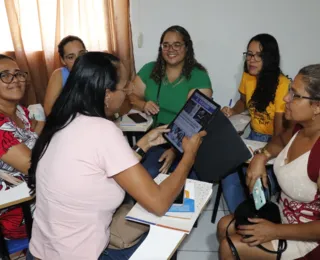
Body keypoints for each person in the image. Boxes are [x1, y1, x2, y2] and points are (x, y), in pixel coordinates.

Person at [26, 52, 206, 260]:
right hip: (81, 255)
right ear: (107, 94)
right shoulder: (102, 130)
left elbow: (101, 164)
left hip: (41, 251)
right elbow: (158, 202)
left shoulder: (63, 120)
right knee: (168, 239)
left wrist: (143, 144)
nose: (129, 90)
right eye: (124, 86)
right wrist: (189, 156)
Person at [218, 64, 320, 260]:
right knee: (224, 226)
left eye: (295, 95)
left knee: (229, 246)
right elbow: (280, 141)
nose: (285, 98)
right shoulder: (299, 128)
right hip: (284, 215)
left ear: (317, 106)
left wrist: (275, 231)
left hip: (307, 238)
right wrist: (261, 156)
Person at [129, 25, 212, 178]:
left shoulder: (198, 76)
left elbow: (198, 120)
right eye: (165, 45)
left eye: (177, 44)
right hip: (156, 136)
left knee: (184, 180)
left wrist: (175, 150)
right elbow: (129, 95)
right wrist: (143, 104)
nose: (170, 49)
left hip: (187, 140)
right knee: (142, 174)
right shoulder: (150, 70)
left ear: (187, 47)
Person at [220, 34, 291, 212]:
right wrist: (233, 111)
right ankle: (239, 217)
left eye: (258, 56)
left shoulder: (282, 84)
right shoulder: (248, 76)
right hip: (253, 136)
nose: (252, 60)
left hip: (274, 142)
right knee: (227, 171)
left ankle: (256, 216)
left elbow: (279, 134)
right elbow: (243, 102)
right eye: (249, 54)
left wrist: (262, 154)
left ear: (269, 58)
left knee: (257, 185)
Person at [0, 54, 45, 239]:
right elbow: (34, 166)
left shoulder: (21, 111)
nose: (15, 80)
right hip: (15, 210)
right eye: (5, 75)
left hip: (36, 191)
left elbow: (37, 140)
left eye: (18, 74)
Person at [43, 35, 87, 115]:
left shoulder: (96, 72)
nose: (78, 60)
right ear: (63, 60)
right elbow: (48, 110)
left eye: (81, 54)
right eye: (71, 57)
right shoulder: (59, 74)